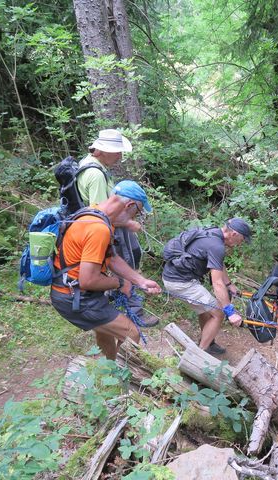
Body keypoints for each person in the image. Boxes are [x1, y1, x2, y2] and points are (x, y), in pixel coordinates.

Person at [50, 181, 162, 360]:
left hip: (72, 292)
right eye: (138, 212)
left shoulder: (94, 213)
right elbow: (88, 280)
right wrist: (120, 282)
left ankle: (107, 370)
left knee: (106, 332)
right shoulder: (98, 229)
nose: (135, 218)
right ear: (130, 205)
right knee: (132, 334)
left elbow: (111, 258)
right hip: (76, 297)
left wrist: (139, 281)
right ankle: (119, 378)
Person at [76, 129, 158, 327]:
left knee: (131, 256)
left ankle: (116, 297)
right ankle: (133, 311)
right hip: (104, 230)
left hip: (101, 228)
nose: (120, 156)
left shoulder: (90, 164)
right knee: (125, 263)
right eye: (117, 152)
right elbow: (101, 215)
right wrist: (129, 223)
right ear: (103, 150)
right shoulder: (95, 174)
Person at [161, 219, 251, 355]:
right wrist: (230, 311)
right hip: (181, 282)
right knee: (218, 312)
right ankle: (199, 355)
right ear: (234, 234)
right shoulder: (217, 246)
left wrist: (229, 285)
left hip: (175, 276)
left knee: (205, 311)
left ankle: (208, 342)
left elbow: (218, 264)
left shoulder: (212, 232)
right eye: (242, 239)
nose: (241, 243)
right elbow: (217, 283)